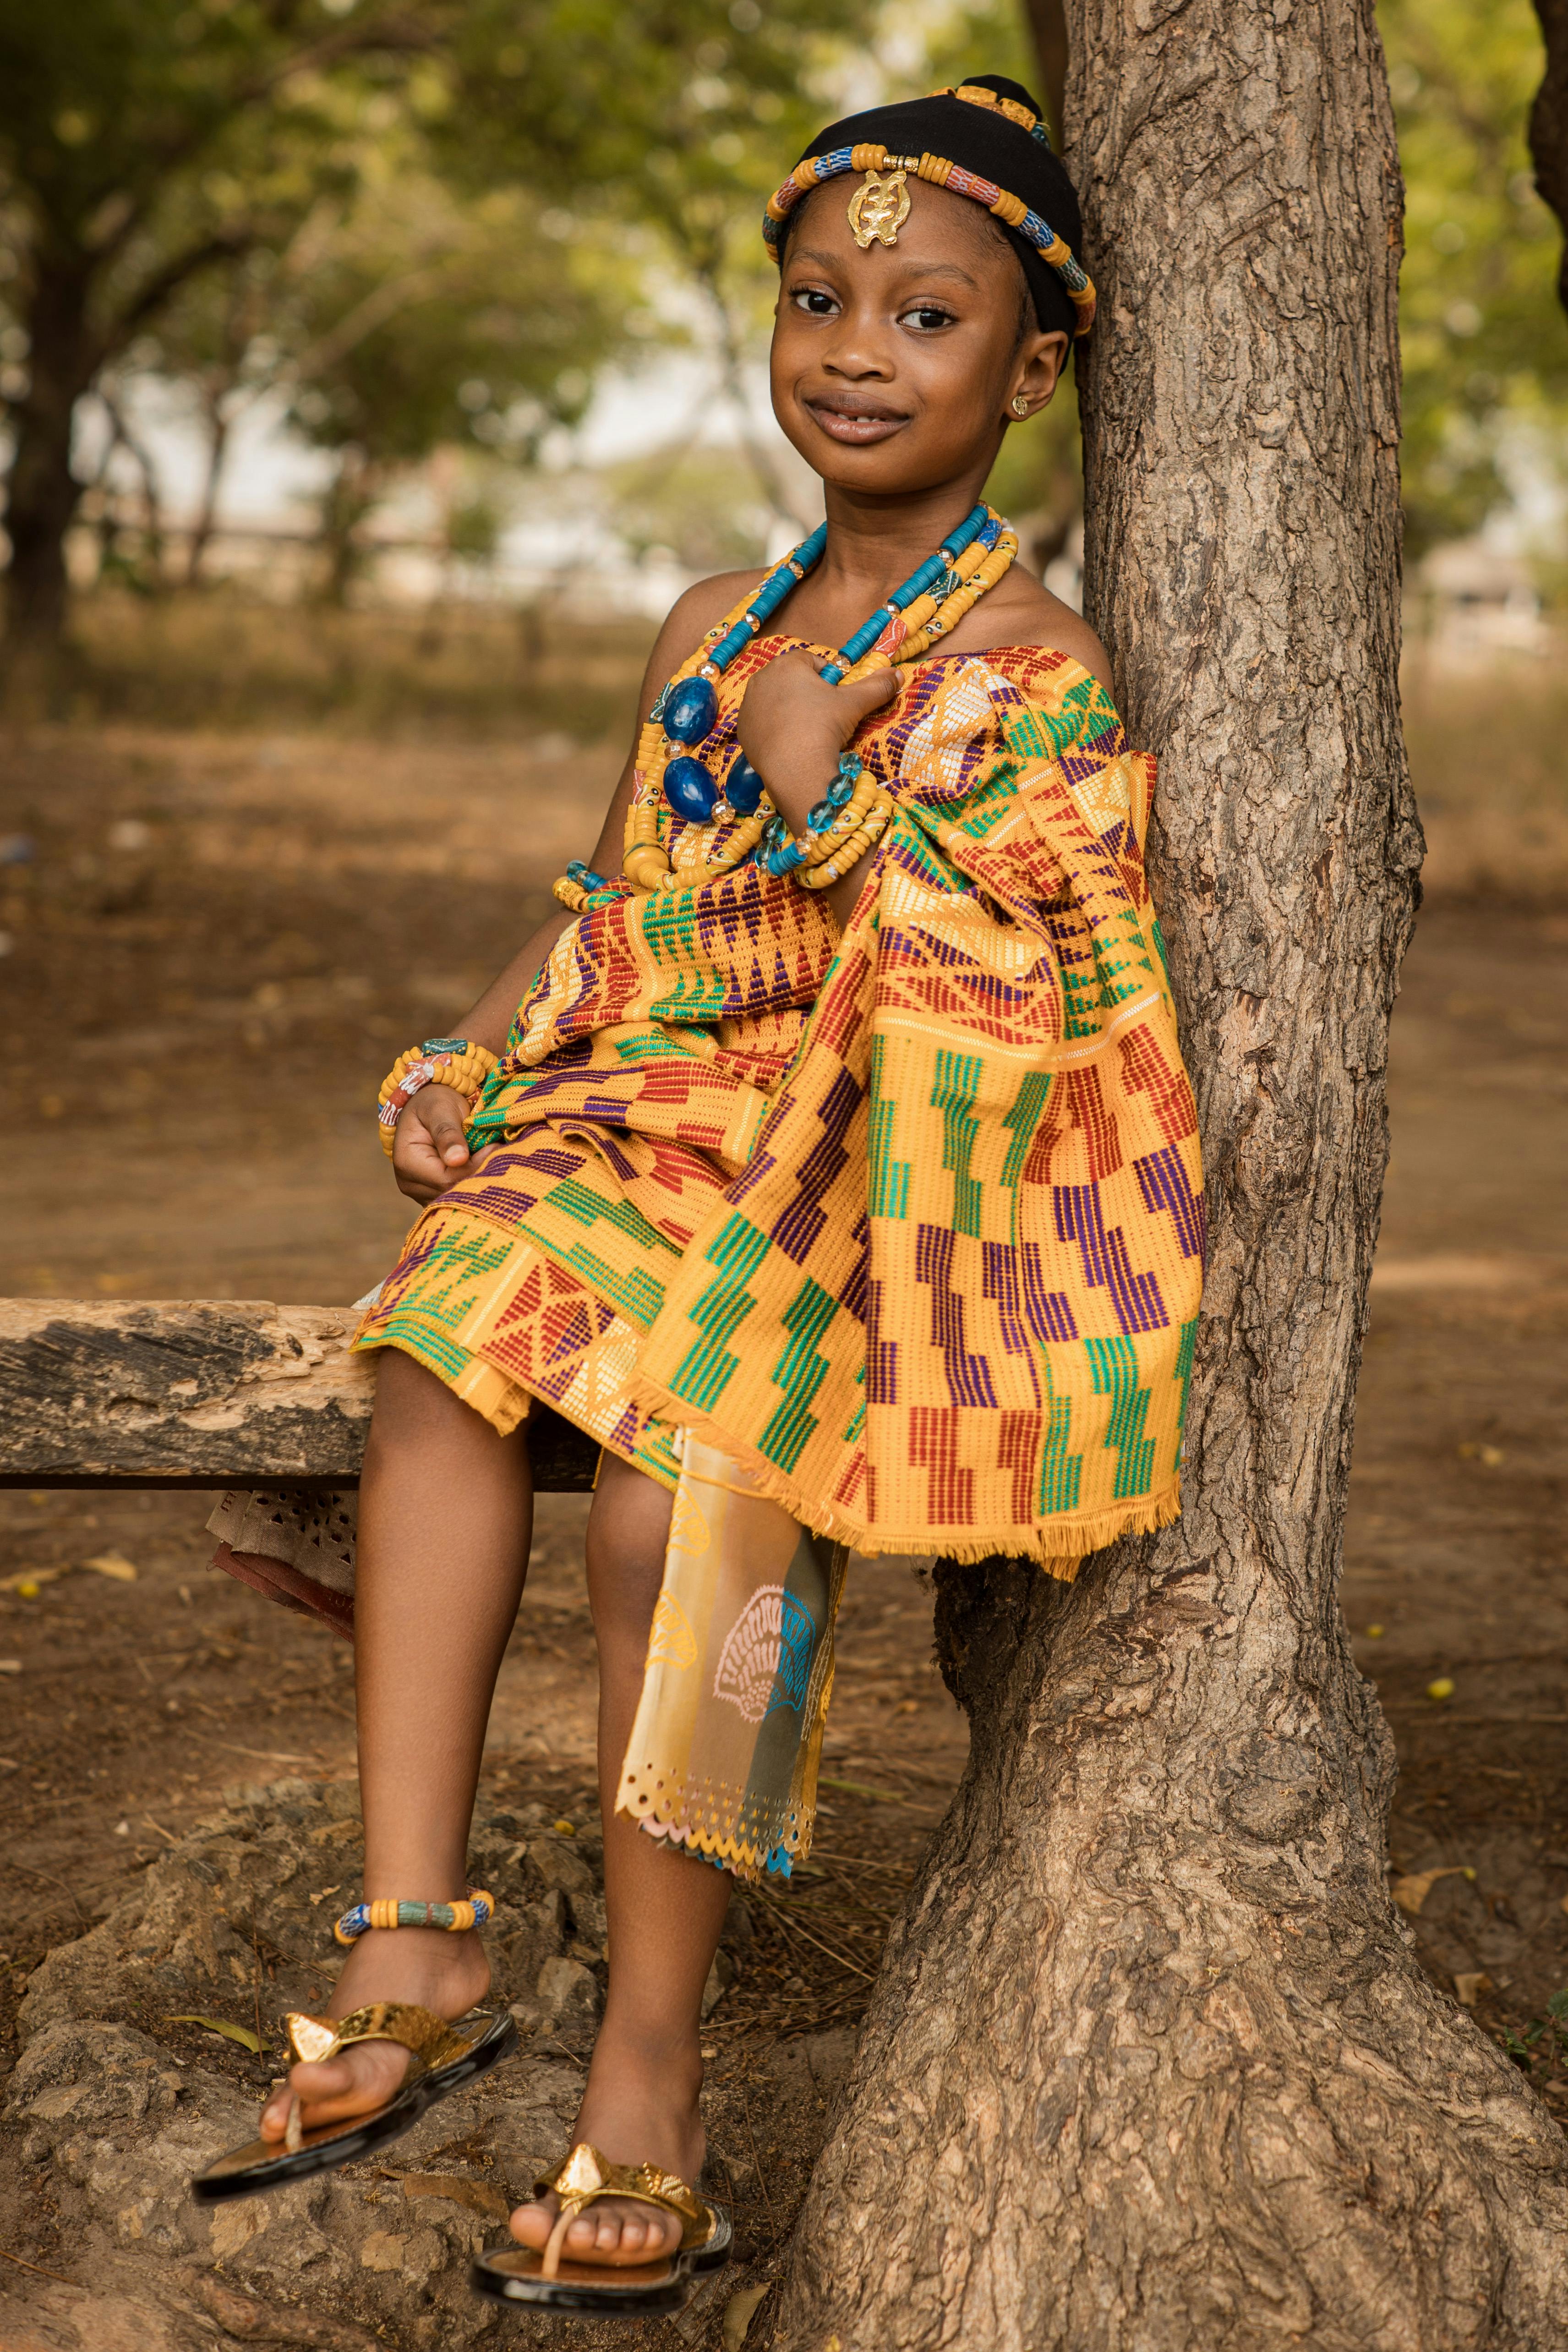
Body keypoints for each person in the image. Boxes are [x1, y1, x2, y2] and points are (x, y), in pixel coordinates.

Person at [194, 75, 1204, 2315]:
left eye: (921, 316)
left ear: (1024, 373)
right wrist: (469, 1056)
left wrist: (829, 770)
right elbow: (600, 902)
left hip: (854, 1159)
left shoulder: (1027, 666)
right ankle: (416, 1928)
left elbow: (1030, 970)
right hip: (629, 1117)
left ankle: (648, 2066)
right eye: (816, 300)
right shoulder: (696, 619)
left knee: (680, 1500)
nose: (851, 347)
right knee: (443, 1341)